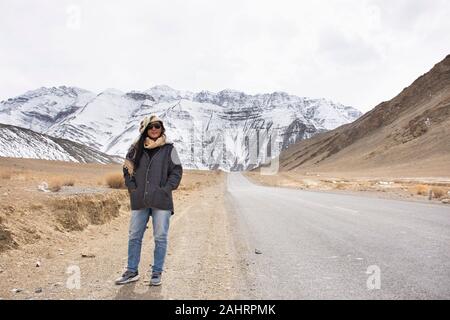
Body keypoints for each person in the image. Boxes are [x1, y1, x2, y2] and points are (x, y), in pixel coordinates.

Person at [115, 115, 183, 286]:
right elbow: (126, 169)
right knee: (134, 236)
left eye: (158, 126)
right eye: (151, 126)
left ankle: (157, 272)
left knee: (160, 237)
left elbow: (177, 171)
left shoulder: (169, 149)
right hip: (140, 200)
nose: (154, 129)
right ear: (145, 129)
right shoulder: (135, 149)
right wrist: (132, 188)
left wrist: (166, 188)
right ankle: (131, 271)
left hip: (161, 201)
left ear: (162, 128)